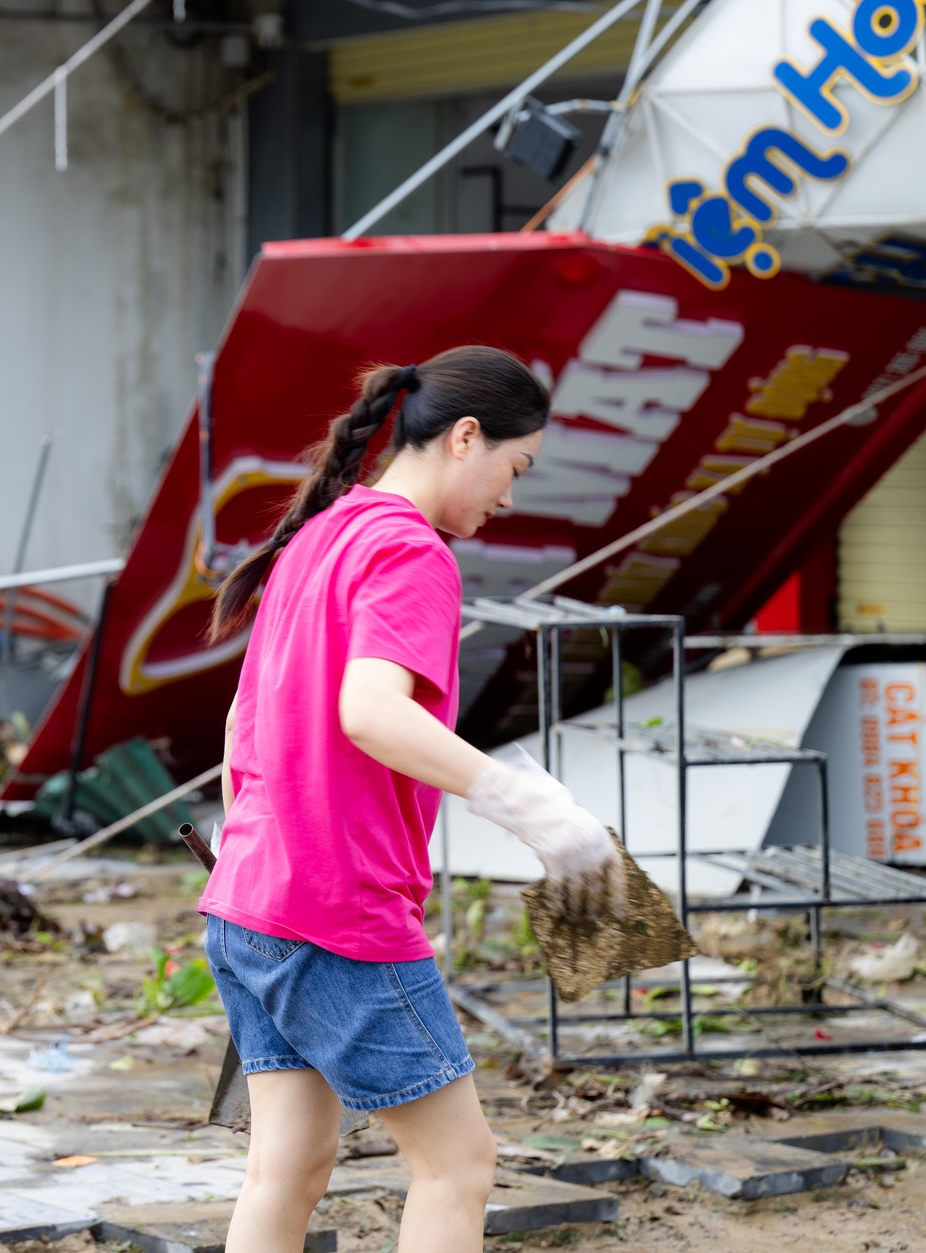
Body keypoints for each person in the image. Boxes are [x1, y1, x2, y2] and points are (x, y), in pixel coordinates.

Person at [197, 347, 625, 1253]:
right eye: (516, 467)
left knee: (289, 1164)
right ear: (466, 437)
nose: (509, 496)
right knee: (458, 1164)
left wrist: (259, 852)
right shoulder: (409, 551)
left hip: (249, 902)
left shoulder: (321, 534)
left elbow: (241, 723)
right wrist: (532, 804)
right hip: (333, 911)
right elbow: (369, 713)